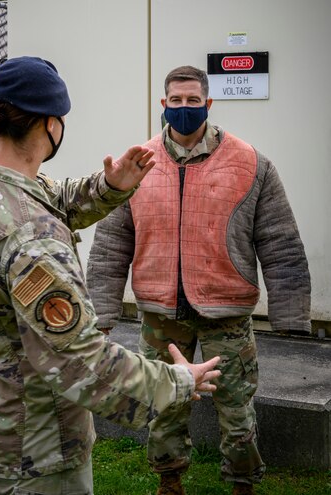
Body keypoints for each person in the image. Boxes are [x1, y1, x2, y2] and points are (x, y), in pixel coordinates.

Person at [0, 56, 222, 495]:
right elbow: (81, 361)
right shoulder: (32, 240)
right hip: (36, 450)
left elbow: (53, 199)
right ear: (50, 124)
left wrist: (111, 187)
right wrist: (178, 381)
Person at [87, 64, 311, 495]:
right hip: (160, 314)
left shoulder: (250, 163)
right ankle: (169, 482)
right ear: (163, 104)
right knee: (163, 404)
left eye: (193, 101)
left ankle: (242, 483)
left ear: (208, 103)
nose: (184, 108)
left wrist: (291, 318)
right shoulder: (137, 164)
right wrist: (101, 311)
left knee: (236, 407)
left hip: (226, 313)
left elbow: (280, 241)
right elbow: (110, 246)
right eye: (176, 100)